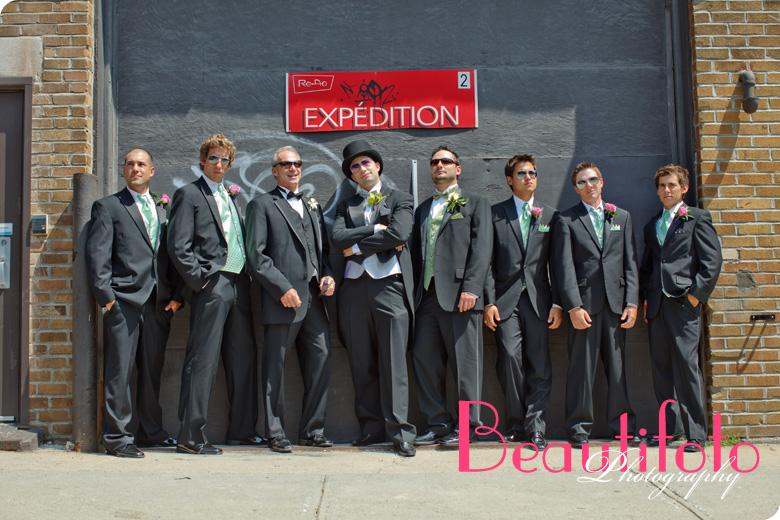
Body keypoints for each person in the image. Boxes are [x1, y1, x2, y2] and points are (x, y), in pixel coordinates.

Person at [167, 134, 261, 455]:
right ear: (202, 161)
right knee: (202, 360)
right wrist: (200, 282)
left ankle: (242, 431)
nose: (218, 165)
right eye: (213, 159)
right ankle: (189, 436)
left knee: (243, 358)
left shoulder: (230, 196)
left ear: (230, 165)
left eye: (224, 161)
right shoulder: (189, 194)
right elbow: (178, 246)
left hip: (239, 285)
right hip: (213, 284)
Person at [86, 148, 183, 458]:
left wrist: (177, 296)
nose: (135, 168)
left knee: (151, 372)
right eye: (130, 164)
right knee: (120, 372)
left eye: (141, 164)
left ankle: (151, 432)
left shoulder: (161, 208)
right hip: (124, 302)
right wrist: (108, 301)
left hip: (158, 303)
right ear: (124, 170)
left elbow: (168, 255)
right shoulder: (109, 207)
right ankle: (117, 438)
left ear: (152, 171)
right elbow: (97, 256)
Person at [245, 146, 335, 453]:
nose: (293, 168)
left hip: (314, 298)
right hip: (283, 299)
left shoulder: (312, 205)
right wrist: (281, 288)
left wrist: (327, 274)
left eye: (297, 163)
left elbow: (323, 251)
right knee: (275, 367)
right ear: (275, 171)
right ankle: (275, 431)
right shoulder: (261, 204)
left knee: (321, 359)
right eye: (285, 164)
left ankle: (313, 430)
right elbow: (257, 256)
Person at [483, 154, 576, 450]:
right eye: (521, 173)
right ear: (510, 180)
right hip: (505, 300)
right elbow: (484, 262)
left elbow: (561, 265)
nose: (528, 177)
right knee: (509, 357)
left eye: (532, 172)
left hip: (539, 301)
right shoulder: (494, 214)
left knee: (540, 364)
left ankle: (536, 427)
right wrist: (488, 301)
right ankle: (515, 422)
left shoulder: (550, 216)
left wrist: (559, 304)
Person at [330, 140, 417, 457]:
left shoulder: (400, 199)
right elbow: (337, 238)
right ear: (351, 175)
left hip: (389, 288)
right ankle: (371, 427)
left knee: (394, 363)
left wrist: (354, 249)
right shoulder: (345, 206)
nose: (361, 169)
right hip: (353, 290)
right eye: (354, 166)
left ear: (377, 166)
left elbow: (398, 234)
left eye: (365, 162)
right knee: (361, 362)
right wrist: (372, 232)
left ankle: (401, 432)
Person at [411, 146, 492, 448]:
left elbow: (482, 248)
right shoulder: (422, 209)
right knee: (424, 359)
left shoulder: (475, 203)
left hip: (461, 295)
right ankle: (438, 424)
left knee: (464, 364)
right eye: (434, 162)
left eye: (446, 161)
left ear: (458, 168)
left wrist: (472, 287)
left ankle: (469, 427)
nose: (439, 165)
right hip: (427, 296)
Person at [639, 164, 722, 452]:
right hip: (658, 308)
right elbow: (649, 266)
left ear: (683, 188)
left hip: (684, 304)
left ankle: (696, 435)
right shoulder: (652, 225)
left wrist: (695, 297)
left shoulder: (697, 218)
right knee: (661, 370)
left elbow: (712, 263)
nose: (666, 190)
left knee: (687, 367)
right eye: (661, 186)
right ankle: (669, 431)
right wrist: (646, 297)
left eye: (671, 185)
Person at [559, 162, 640, 447]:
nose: (589, 185)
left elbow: (630, 261)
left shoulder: (622, 217)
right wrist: (573, 307)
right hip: (584, 306)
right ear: (575, 188)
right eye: (582, 182)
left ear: (602, 182)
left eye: (593, 180)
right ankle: (578, 427)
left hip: (616, 304)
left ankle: (623, 427)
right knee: (581, 369)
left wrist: (632, 301)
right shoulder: (566, 220)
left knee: (617, 369)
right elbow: (564, 268)